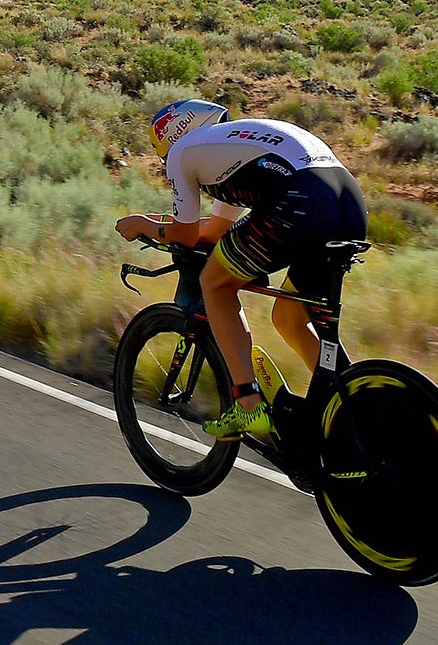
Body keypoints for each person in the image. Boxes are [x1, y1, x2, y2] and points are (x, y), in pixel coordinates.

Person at [114, 99, 368, 442]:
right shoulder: (233, 144)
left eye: (162, 156)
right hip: (347, 202)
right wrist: (163, 224)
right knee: (289, 317)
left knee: (215, 283)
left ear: (172, 137)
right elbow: (217, 228)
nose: (165, 162)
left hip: (301, 201)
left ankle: (247, 404)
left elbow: (186, 235)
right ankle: (353, 407)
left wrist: (143, 224)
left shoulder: (183, 152)